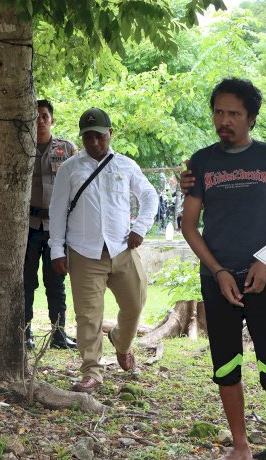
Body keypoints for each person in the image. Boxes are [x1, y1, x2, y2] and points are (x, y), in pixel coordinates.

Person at [182, 78, 266, 460]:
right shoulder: (201, 162)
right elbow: (189, 225)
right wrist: (217, 271)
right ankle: (241, 447)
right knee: (227, 364)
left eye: (234, 113)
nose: (225, 120)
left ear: (251, 117)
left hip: (265, 278)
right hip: (219, 281)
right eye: (219, 112)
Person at [49, 107, 157, 393]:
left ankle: (121, 343)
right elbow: (57, 211)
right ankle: (92, 371)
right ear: (82, 138)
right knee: (88, 315)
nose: (94, 142)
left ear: (110, 134)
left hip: (123, 248)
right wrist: (56, 250)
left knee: (135, 303)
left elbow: (149, 196)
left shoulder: (126, 165)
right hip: (84, 252)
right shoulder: (70, 168)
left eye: (99, 136)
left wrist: (140, 228)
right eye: (88, 137)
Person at [23, 99, 77, 350]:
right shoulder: (20, 147)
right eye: (35, 117)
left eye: (44, 116)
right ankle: (25, 333)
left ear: (52, 120)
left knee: (56, 281)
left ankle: (58, 333)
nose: (40, 120)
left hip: (58, 228)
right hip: (29, 226)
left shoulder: (66, 149)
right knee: (26, 282)